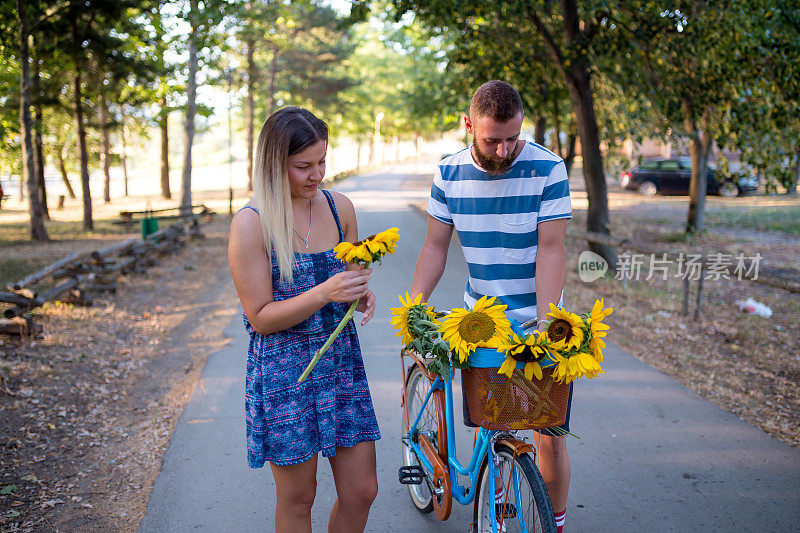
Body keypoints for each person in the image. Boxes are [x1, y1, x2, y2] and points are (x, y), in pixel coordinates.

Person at [410, 80, 572, 532]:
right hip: (478, 323)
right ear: (467, 125)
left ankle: (553, 523)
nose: (503, 151)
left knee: (550, 439)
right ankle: (495, 498)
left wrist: (545, 324)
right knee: (493, 421)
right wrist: (415, 309)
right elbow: (435, 249)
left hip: (539, 318)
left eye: (512, 138)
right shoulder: (448, 174)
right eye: (491, 140)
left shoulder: (549, 168)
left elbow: (552, 250)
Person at [228, 106, 381, 533]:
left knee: (362, 490)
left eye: (322, 162)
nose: (317, 175)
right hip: (284, 372)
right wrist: (323, 293)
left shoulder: (340, 208)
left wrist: (359, 295)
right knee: (299, 498)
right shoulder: (251, 224)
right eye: (303, 166)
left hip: (340, 364)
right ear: (275, 164)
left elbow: (349, 280)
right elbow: (259, 318)